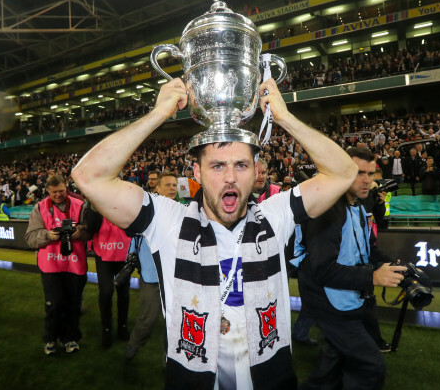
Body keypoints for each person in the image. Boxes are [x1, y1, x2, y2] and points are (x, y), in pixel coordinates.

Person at [71, 78, 358, 390]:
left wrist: (284, 117)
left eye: (241, 165)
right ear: (197, 173)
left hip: (270, 378)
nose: (231, 178)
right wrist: (158, 114)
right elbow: (88, 176)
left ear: (256, 169)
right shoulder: (168, 221)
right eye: (218, 166)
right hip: (192, 379)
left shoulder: (276, 215)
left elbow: (343, 172)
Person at [298, 147, 407, 390]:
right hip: (330, 303)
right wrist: (373, 276)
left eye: (371, 173)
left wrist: (399, 267)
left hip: (347, 299)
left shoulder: (358, 205)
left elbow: (369, 251)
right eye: (359, 173)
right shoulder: (327, 210)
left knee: (329, 371)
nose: (367, 180)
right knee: (370, 367)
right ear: (341, 171)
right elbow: (323, 270)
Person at [25, 173, 90, 355]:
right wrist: (47, 235)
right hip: (51, 264)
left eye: (61, 191)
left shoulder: (79, 205)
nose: (58, 195)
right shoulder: (40, 208)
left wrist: (80, 232)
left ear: (66, 187)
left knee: (73, 304)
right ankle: (50, 339)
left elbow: (90, 232)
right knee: (54, 304)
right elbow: (30, 238)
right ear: (47, 190)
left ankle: (70, 338)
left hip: (75, 264)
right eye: (54, 192)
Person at [126, 171, 179, 360]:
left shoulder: (182, 211)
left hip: (175, 278)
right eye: (168, 185)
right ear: (157, 188)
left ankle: (169, 357)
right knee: (147, 319)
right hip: (152, 277)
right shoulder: (147, 212)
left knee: (174, 322)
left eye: (174, 185)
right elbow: (134, 240)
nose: (172, 188)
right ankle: (133, 345)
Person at [84, 201, 132, 348]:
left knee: (123, 292)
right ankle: (106, 329)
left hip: (123, 251)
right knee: (106, 292)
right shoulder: (95, 200)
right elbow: (90, 227)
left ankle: (122, 327)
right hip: (103, 253)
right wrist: (93, 206)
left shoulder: (125, 198)